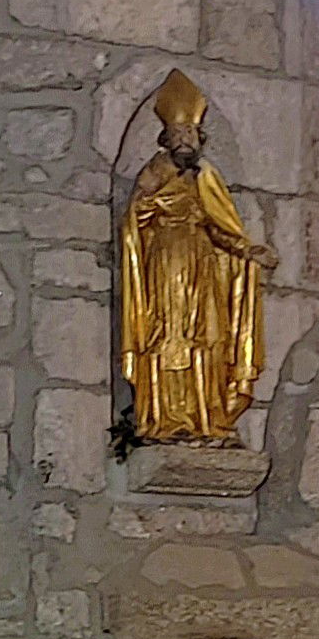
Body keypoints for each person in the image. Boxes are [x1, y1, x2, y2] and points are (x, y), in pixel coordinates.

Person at [117, 69, 268, 444]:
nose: (185, 141)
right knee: (167, 334)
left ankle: (207, 417)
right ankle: (162, 419)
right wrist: (154, 195)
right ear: (166, 140)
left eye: (190, 135)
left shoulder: (207, 178)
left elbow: (221, 226)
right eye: (178, 135)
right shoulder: (155, 171)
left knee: (208, 338)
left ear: (200, 139)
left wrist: (248, 251)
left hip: (204, 267)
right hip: (165, 263)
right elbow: (136, 217)